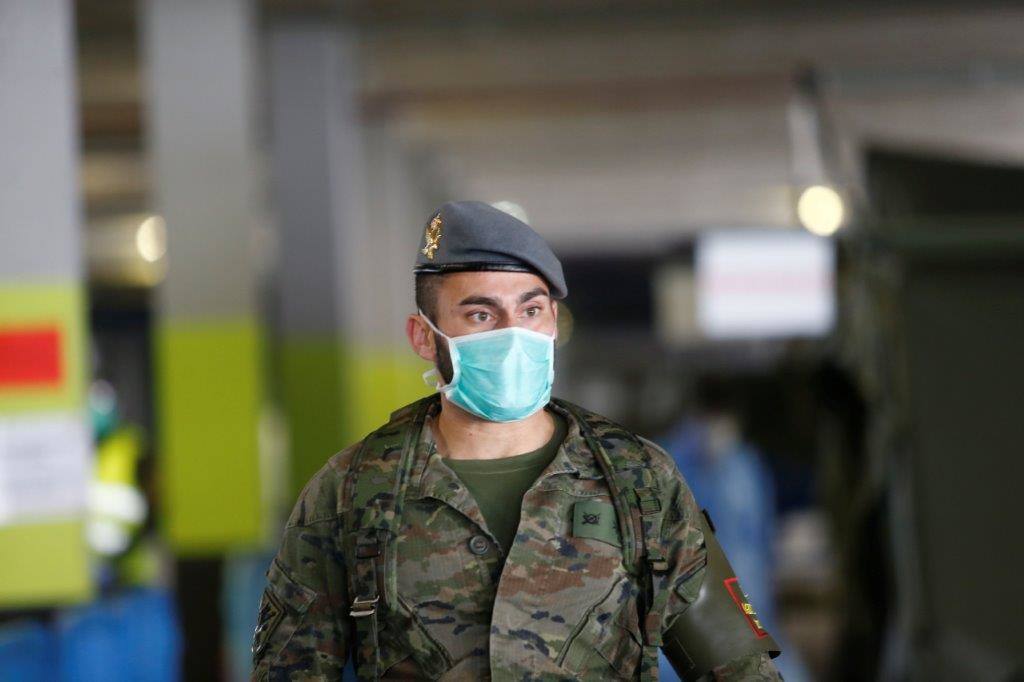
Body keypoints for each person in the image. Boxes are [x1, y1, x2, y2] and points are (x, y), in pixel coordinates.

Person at [251, 201, 781, 681]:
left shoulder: (639, 479)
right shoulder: (353, 491)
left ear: (552, 320)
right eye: (481, 315)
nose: (512, 334)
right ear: (423, 337)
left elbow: (736, 667)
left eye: (530, 310)